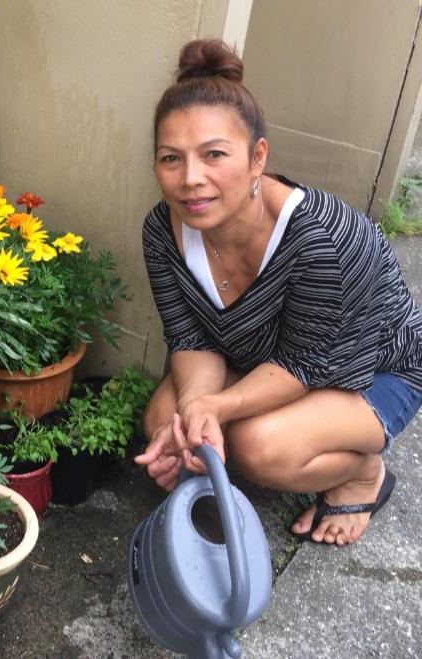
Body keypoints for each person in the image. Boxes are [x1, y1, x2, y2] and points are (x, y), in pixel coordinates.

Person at [134, 38, 422, 546]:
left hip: (374, 369)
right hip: (266, 355)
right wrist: (199, 411)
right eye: (170, 159)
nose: (190, 180)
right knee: (166, 420)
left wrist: (221, 413)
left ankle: (361, 474)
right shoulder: (163, 231)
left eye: (214, 154)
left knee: (257, 445)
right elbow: (189, 337)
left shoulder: (324, 241)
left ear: (257, 157)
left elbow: (307, 365)